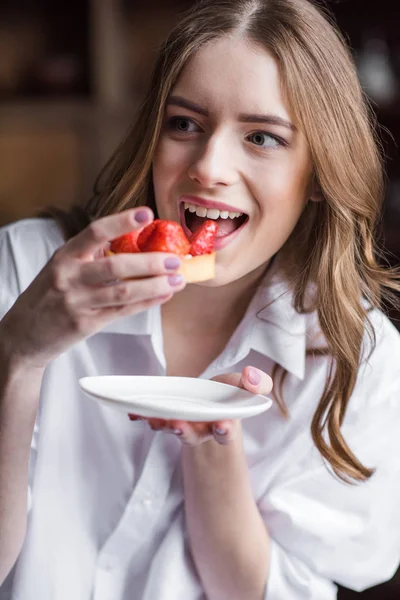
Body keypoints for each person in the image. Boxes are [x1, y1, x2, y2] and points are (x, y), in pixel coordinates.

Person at [1, 0, 400, 598]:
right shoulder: (23, 268)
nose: (209, 167)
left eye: (262, 137)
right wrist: (17, 358)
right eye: (185, 124)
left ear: (318, 174)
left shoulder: (356, 356)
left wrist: (215, 442)